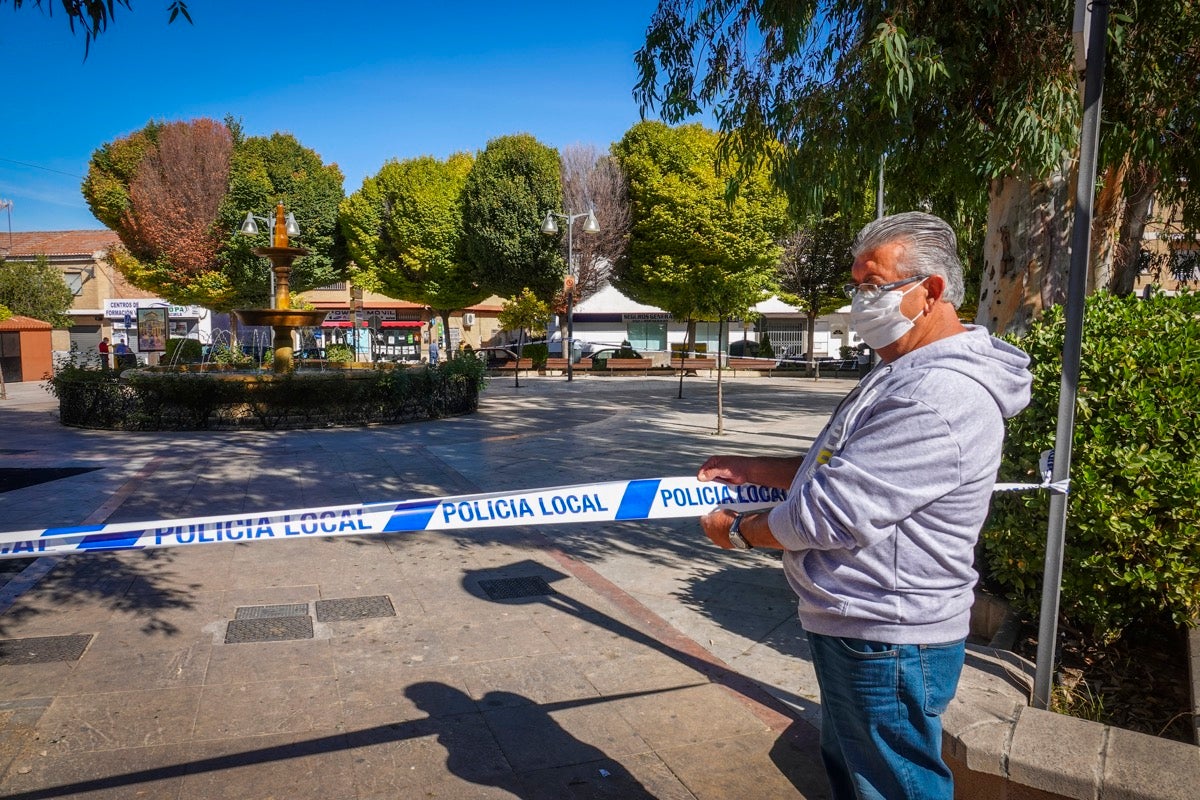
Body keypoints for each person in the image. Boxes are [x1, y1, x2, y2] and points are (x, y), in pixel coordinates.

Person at [697, 212, 1032, 800]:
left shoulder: (939, 395)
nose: (858, 302)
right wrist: (762, 471)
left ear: (931, 291)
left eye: (872, 286)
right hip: (863, 624)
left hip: (888, 634)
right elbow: (844, 468)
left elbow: (826, 515)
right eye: (856, 286)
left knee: (892, 785)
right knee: (861, 775)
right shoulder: (903, 369)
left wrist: (738, 531)